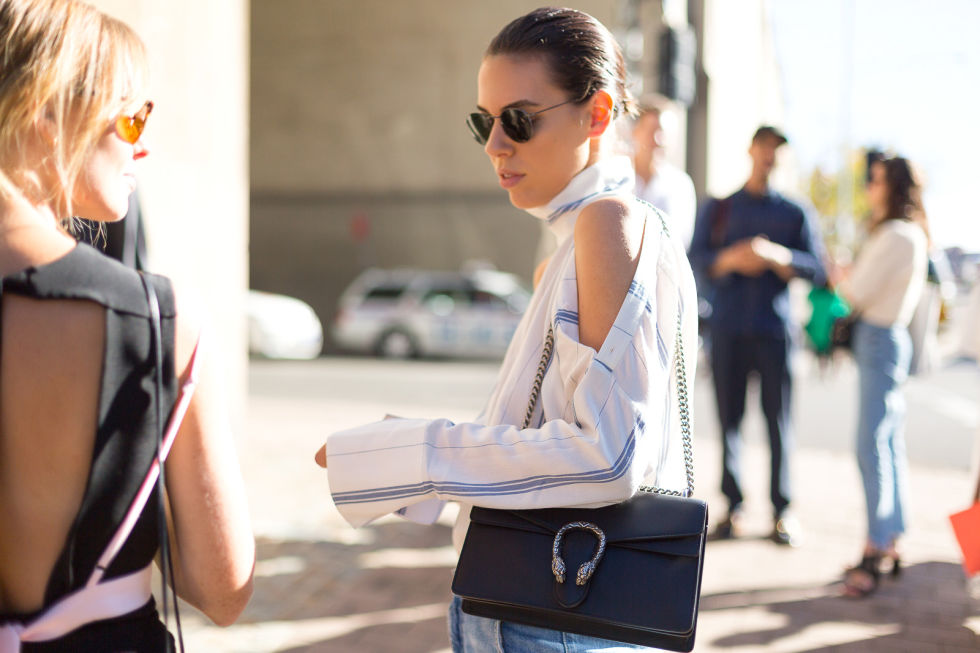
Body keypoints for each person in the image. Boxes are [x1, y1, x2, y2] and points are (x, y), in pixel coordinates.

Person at [314, 7, 698, 651]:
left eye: (517, 119)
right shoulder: (578, 239)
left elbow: (609, 458)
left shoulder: (607, 227)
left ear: (597, 115)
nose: (495, 144)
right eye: (482, 122)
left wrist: (418, 454)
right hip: (542, 609)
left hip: (558, 622)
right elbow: (555, 433)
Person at [0, 0, 254, 649]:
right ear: (45, 116)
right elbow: (223, 589)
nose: (145, 141)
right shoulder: (157, 320)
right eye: (133, 113)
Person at [688, 125, 826, 546]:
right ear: (751, 150)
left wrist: (779, 258)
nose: (770, 156)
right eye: (765, 147)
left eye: (778, 150)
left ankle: (782, 511)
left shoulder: (795, 212)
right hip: (728, 328)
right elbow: (696, 258)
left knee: (778, 421)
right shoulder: (721, 207)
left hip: (774, 330)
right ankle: (734, 507)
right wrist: (731, 259)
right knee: (729, 420)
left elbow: (818, 270)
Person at [833, 155, 928, 597]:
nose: (869, 188)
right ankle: (890, 538)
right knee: (888, 442)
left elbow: (854, 292)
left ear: (891, 187)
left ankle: (874, 551)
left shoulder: (895, 235)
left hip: (879, 338)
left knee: (870, 445)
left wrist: (839, 273)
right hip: (889, 339)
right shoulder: (910, 233)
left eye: (875, 181)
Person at [631, 94, 697, 249]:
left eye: (663, 133)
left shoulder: (681, 185)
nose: (658, 140)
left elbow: (680, 243)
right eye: (651, 131)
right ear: (636, 132)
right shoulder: (617, 178)